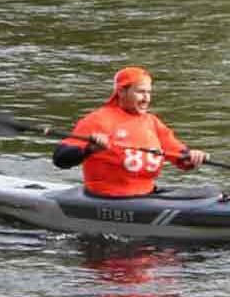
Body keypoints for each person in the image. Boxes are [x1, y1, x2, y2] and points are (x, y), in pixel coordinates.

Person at [52, 66, 209, 198]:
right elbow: (60, 158)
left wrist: (193, 158)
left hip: (146, 196)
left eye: (149, 93)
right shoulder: (98, 120)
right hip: (107, 199)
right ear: (121, 92)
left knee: (208, 192)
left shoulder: (152, 122)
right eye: (140, 92)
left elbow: (179, 156)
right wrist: (89, 150)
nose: (146, 99)